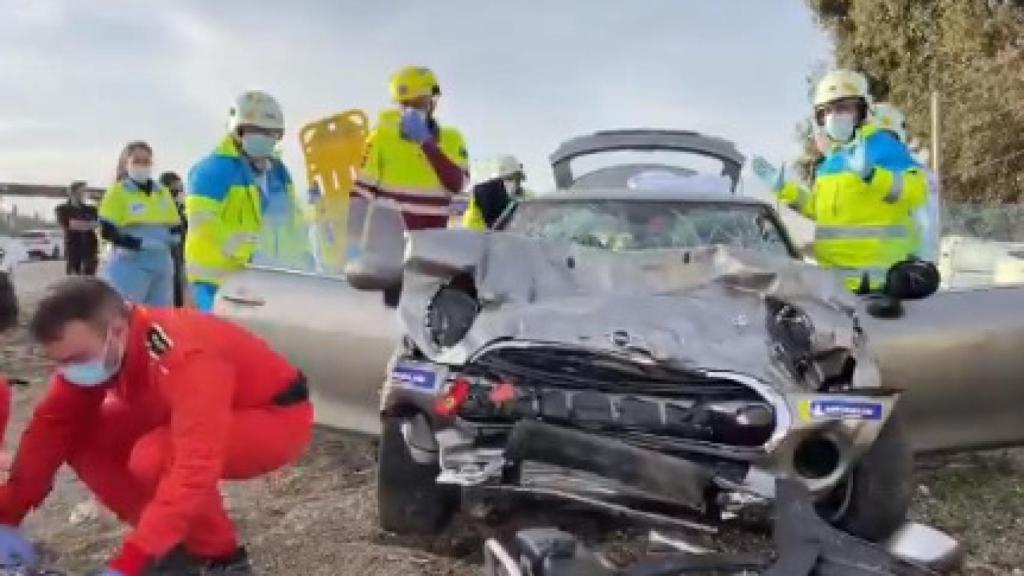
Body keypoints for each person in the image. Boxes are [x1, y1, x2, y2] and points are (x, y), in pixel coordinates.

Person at [0, 278, 313, 574]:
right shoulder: (99, 353)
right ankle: (171, 550)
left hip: (273, 417)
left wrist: (133, 560)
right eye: (61, 362)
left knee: (157, 455)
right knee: (82, 436)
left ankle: (221, 561)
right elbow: (51, 429)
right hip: (180, 412)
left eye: (78, 358)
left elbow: (195, 464)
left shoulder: (184, 354)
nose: (71, 371)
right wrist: (7, 519)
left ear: (118, 330)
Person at [751, 69, 928, 294]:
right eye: (827, 111)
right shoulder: (832, 160)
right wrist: (783, 189)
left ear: (862, 111)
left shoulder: (883, 145)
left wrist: (872, 176)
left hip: (879, 287)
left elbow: (916, 192)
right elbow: (821, 211)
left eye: (843, 108)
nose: (834, 116)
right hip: (834, 285)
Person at [186, 90, 300, 312]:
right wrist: (240, 247)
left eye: (271, 133)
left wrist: (303, 256)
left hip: (267, 281)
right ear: (238, 131)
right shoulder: (212, 170)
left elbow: (293, 218)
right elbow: (202, 222)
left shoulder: (279, 172)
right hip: (217, 285)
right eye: (256, 130)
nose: (265, 137)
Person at [352, 66, 469, 231]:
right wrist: (353, 238)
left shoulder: (452, 138)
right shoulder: (380, 137)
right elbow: (360, 195)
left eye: (418, 103)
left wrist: (426, 143)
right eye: (405, 104)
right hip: (389, 243)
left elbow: (457, 184)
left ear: (432, 102)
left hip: (434, 243)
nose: (411, 110)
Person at [98, 142, 182, 307]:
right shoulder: (118, 192)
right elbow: (106, 230)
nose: (142, 165)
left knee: (161, 317)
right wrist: (135, 243)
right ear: (126, 163)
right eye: (137, 161)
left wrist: (174, 237)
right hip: (131, 263)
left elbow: (175, 224)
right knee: (127, 314)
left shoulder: (162, 192)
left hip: (161, 261)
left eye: (146, 161)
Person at [460, 155, 530, 230]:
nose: (515, 183)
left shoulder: (520, 193)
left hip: (489, 235)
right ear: (500, 178)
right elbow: (495, 221)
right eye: (510, 178)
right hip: (475, 233)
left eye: (518, 179)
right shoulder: (486, 191)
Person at [54, 181, 99, 276]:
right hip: (73, 249)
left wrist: (81, 225)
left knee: (89, 279)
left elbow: (97, 224)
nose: (85, 194)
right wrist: (88, 225)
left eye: (86, 191)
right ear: (72, 193)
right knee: (73, 280)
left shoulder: (91, 209)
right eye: (82, 191)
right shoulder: (62, 209)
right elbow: (70, 225)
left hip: (90, 249)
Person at [158, 172, 188, 308]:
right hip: (166, 251)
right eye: (177, 187)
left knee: (177, 285)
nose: (180, 191)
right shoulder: (161, 205)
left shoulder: (179, 206)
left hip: (179, 250)